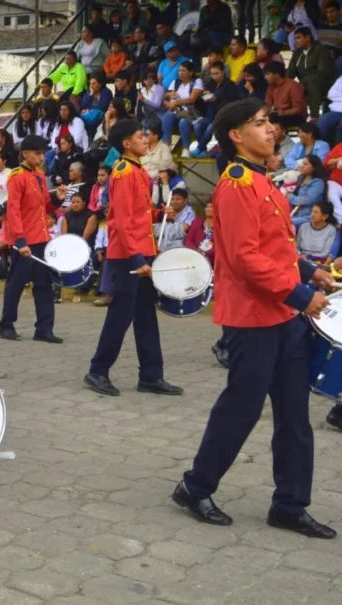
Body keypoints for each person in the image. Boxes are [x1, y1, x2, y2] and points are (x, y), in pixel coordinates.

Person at [174, 97, 337, 540]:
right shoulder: (238, 184)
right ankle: (195, 486)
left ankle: (289, 504)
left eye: (270, 123)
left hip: (283, 314)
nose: (271, 130)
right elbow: (245, 259)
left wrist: (311, 271)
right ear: (236, 135)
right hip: (253, 318)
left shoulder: (262, 182)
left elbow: (276, 247)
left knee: (295, 418)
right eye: (260, 124)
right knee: (240, 411)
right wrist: (302, 295)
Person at [84, 119, 183, 397]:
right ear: (126, 144)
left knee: (145, 317)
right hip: (129, 255)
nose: (146, 139)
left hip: (141, 251)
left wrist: (157, 213)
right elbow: (120, 222)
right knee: (120, 316)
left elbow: (136, 214)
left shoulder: (138, 170)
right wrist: (138, 259)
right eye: (141, 136)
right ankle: (97, 370)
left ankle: (151, 376)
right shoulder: (125, 172)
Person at [0, 134, 67, 343]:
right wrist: (20, 241)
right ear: (25, 154)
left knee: (44, 285)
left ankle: (44, 328)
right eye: (37, 153)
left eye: (43, 153)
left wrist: (57, 199)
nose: (41, 157)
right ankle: (6, 324)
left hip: (40, 237)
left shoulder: (39, 175)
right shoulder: (17, 176)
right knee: (16, 284)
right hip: (25, 240)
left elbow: (45, 205)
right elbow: (13, 211)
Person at [287, 27, 335, 118]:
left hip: (323, 82)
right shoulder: (297, 53)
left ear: (308, 38)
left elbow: (323, 72)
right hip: (304, 84)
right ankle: (297, 118)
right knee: (289, 86)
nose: (296, 41)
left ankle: (314, 117)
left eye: (298, 38)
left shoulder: (320, 50)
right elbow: (291, 73)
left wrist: (304, 82)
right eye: (295, 38)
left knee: (312, 83)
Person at [264, 61, 308, 128]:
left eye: (267, 74)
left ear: (276, 74)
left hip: (295, 116)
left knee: (271, 120)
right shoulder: (270, 86)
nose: (265, 77)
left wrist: (282, 113)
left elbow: (298, 109)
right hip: (278, 114)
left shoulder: (293, 85)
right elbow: (267, 104)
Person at [288, 155, 328, 225]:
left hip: (308, 216)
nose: (302, 166)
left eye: (306, 164)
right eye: (302, 163)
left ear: (314, 167)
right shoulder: (300, 178)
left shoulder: (318, 182)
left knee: (287, 223)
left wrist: (289, 197)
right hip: (296, 213)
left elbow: (307, 200)